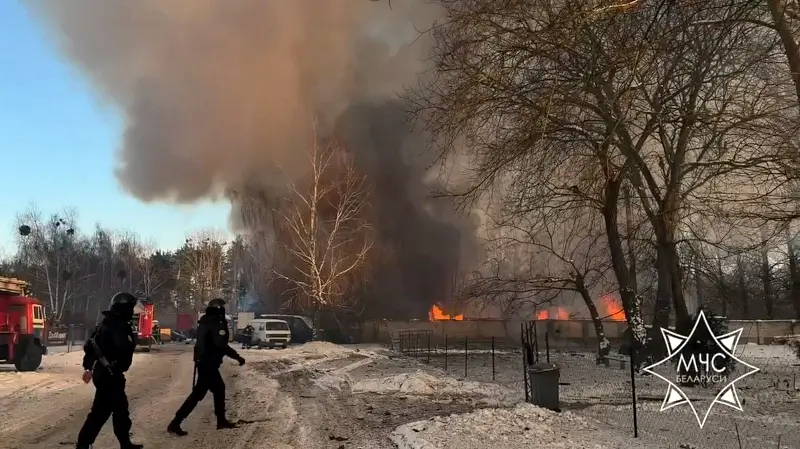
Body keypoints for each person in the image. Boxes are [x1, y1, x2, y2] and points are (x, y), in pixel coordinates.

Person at [167, 298, 245, 436]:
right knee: (203, 393)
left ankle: (219, 420)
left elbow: (203, 344)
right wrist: (237, 357)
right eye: (222, 307)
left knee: (212, 391)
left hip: (205, 363)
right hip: (208, 364)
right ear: (219, 308)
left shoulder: (206, 321)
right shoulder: (214, 323)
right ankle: (176, 423)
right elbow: (221, 345)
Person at [76, 292, 142, 449]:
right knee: (103, 413)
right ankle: (83, 444)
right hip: (109, 375)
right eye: (131, 307)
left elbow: (91, 345)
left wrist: (88, 367)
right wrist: (89, 367)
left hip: (106, 373)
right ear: (124, 307)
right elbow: (118, 347)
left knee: (117, 411)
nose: (133, 311)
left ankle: (123, 443)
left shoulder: (108, 322)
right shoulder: (117, 325)